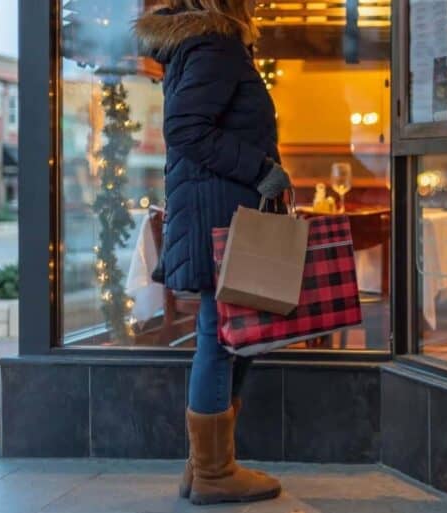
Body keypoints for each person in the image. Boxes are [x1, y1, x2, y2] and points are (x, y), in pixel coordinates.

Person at [135, 1, 291, 505]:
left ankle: (206, 467)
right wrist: (260, 169)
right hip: (220, 213)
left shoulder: (199, 45)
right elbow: (186, 128)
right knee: (220, 339)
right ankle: (213, 472)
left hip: (215, 211)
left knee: (227, 337)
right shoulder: (215, 44)